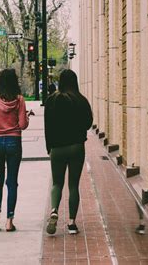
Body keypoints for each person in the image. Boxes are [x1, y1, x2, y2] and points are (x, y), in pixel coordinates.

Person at [44, 69, 92, 235]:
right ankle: (71, 223)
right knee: (73, 185)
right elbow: (88, 123)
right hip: (77, 147)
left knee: (57, 183)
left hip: (57, 147)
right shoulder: (81, 100)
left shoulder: (52, 101)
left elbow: (47, 126)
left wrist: (49, 147)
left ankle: (54, 210)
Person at [0, 68, 29, 232]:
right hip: (14, 142)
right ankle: (9, 220)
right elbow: (23, 125)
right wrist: (25, 118)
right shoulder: (19, 100)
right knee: (12, 182)